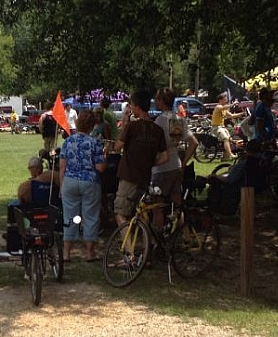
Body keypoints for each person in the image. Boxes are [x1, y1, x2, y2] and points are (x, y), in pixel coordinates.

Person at [113, 89, 168, 227]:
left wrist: (124, 123)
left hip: (129, 175)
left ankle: (128, 248)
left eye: (131, 105)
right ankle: (147, 244)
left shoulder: (132, 126)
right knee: (142, 212)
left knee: (121, 213)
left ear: (137, 106)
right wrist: (151, 163)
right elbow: (165, 157)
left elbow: (117, 147)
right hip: (145, 177)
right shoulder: (157, 130)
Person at [59, 110, 105, 262]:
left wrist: (61, 185)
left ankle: (66, 253)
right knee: (90, 217)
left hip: (70, 181)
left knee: (69, 217)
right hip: (90, 182)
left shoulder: (68, 142)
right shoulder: (95, 143)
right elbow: (100, 168)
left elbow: (62, 166)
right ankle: (90, 253)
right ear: (92, 126)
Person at [152, 87, 198, 226]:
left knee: (157, 207)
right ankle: (183, 236)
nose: (155, 101)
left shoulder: (160, 120)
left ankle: (157, 239)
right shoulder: (179, 119)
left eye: (157, 99)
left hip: (161, 167)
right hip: (176, 165)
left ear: (162, 101)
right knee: (177, 205)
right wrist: (184, 162)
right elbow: (194, 143)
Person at [211, 92, 242, 160]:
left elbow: (232, 115)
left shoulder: (224, 109)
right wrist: (233, 104)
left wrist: (242, 113)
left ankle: (225, 157)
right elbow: (224, 107)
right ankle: (231, 155)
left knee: (230, 139)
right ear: (220, 100)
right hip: (216, 127)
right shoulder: (218, 107)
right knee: (225, 138)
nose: (226, 100)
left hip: (222, 127)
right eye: (225, 99)